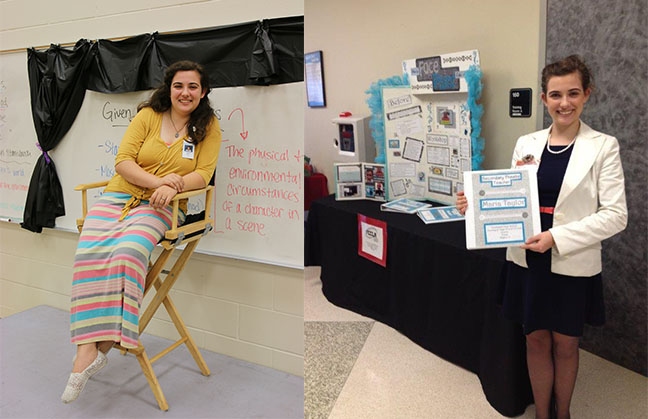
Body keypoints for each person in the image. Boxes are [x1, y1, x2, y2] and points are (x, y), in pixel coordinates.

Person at [456, 55, 627, 419]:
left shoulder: (603, 147)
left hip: (570, 258)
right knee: (535, 339)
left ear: (587, 95)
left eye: (573, 93)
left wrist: (556, 237)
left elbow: (615, 216)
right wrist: (474, 205)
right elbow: (510, 198)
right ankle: (542, 414)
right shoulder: (527, 143)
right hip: (526, 259)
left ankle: (562, 413)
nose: (564, 103)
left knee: (565, 344)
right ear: (544, 99)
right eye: (555, 95)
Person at [61, 60, 222, 403]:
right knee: (87, 254)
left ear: (203, 92)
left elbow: (204, 174)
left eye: (193, 87)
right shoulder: (149, 115)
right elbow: (123, 161)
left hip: (163, 207)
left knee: (129, 254)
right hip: (119, 195)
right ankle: (86, 349)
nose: (185, 92)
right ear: (169, 88)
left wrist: (174, 187)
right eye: (179, 85)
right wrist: (160, 181)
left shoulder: (208, 126)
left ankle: (98, 347)